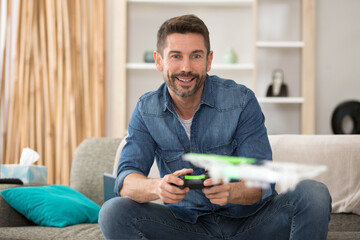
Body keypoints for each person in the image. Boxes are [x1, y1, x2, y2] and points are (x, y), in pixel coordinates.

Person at [99, 14, 332, 240]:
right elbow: (126, 180)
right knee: (113, 212)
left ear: (209, 60)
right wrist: (158, 187)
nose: (186, 67)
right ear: (159, 60)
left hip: (251, 224)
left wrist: (231, 191)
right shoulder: (145, 109)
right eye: (176, 56)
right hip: (186, 227)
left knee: (314, 193)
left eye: (196, 56)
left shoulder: (241, 101)